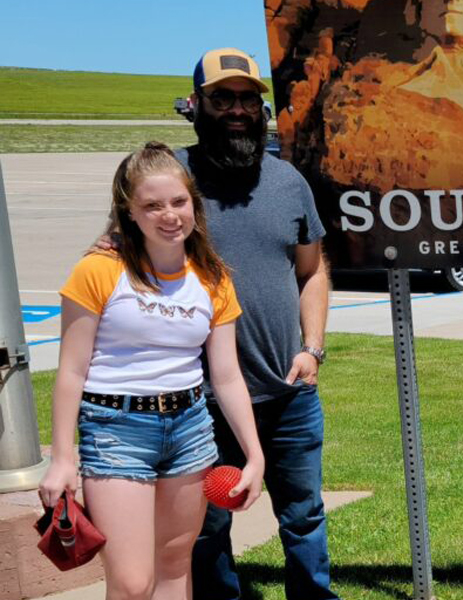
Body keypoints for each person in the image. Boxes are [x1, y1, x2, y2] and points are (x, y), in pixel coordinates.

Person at [99, 47, 334, 598]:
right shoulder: (170, 188)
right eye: (221, 98)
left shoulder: (288, 183)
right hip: (195, 402)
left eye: (247, 99)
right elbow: (118, 264)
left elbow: (312, 271)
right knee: (206, 528)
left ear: (262, 108)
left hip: (288, 388)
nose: (236, 110)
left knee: (303, 515)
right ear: (195, 105)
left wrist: (313, 347)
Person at [39, 142, 265, 600]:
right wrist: (63, 458)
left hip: (190, 430)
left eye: (179, 202)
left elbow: (225, 375)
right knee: (131, 581)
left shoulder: (214, 277)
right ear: (130, 212)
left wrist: (253, 454)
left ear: (194, 205)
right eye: (152, 205)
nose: (169, 215)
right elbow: (71, 372)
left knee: (174, 566)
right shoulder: (99, 270)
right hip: (115, 430)